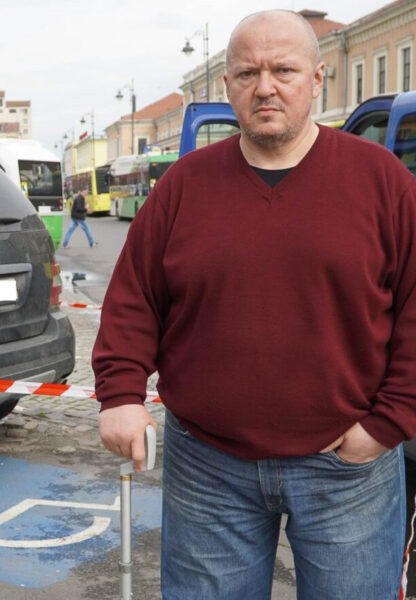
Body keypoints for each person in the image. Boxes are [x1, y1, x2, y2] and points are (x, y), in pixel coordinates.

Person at [93, 9, 416, 599]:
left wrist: (388, 422)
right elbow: (134, 299)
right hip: (208, 467)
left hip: (349, 469)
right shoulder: (183, 188)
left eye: (283, 70)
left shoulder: (383, 181)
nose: (265, 86)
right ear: (227, 88)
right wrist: (120, 392)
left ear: (318, 79)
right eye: (247, 73)